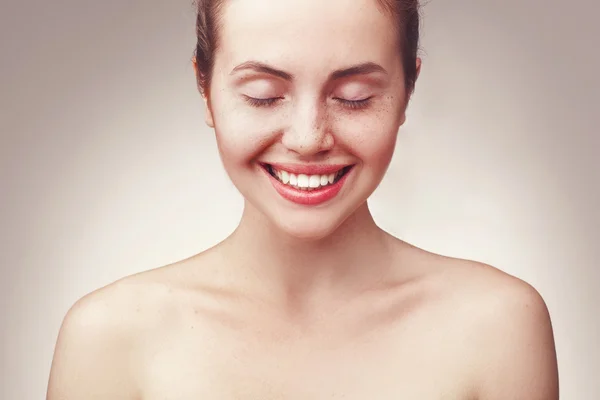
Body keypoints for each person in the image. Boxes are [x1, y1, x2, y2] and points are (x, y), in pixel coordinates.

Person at [47, 0, 559, 398]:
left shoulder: (498, 327)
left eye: (354, 96)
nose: (308, 137)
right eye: (264, 95)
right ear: (205, 88)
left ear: (408, 90)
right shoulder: (109, 340)